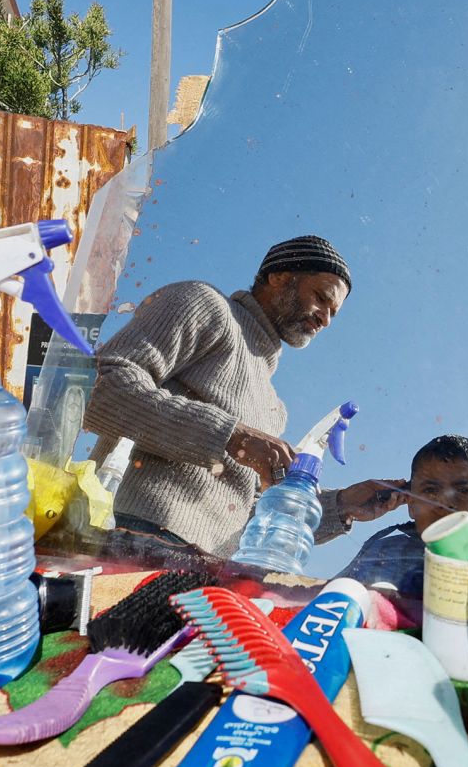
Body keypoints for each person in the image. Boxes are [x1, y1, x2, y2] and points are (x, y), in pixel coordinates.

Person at [85, 236, 407, 556]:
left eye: (333, 313)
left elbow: (253, 514)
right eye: (321, 298)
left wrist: (341, 506)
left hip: (211, 571)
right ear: (278, 276)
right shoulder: (206, 306)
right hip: (129, 535)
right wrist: (232, 437)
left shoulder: (273, 407)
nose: (325, 318)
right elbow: (101, 387)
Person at [337, 435, 468, 603]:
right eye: (430, 490)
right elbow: (333, 600)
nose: (445, 501)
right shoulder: (383, 553)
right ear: (411, 504)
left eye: (464, 491)